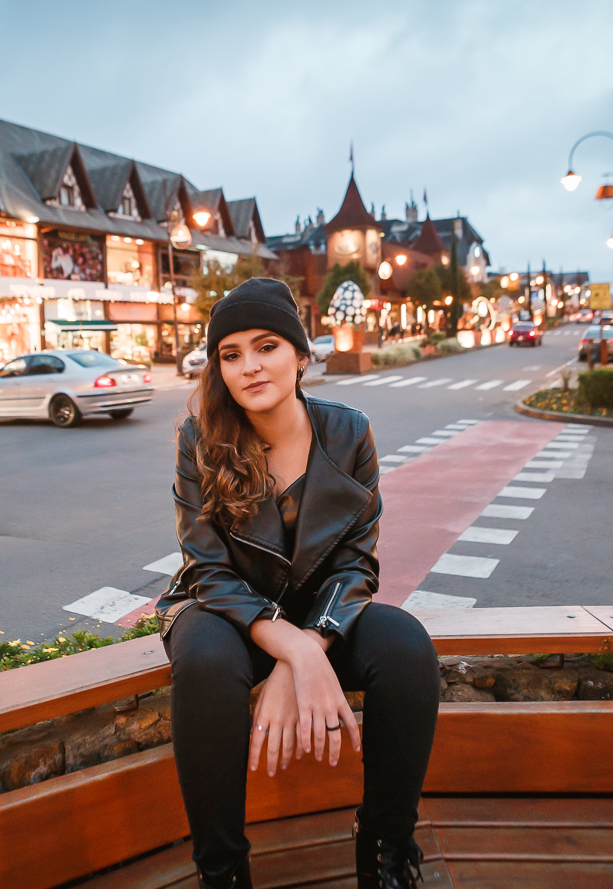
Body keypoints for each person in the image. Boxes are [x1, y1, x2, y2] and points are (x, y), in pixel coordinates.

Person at [156, 279, 440, 889]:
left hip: (318, 611)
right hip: (224, 611)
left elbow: (356, 564)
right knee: (204, 661)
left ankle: (387, 852)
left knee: (406, 646)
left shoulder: (349, 432)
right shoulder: (199, 439)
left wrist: (311, 643)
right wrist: (292, 647)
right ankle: (222, 873)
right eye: (231, 354)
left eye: (267, 346)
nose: (250, 366)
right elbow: (207, 568)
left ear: (302, 355)